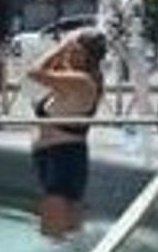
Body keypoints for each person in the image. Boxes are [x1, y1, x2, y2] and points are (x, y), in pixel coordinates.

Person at [26, 28, 107, 238]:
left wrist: (60, 47)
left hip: (64, 159)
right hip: (53, 157)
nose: (70, 53)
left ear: (88, 55)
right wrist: (65, 49)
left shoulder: (83, 81)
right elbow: (47, 73)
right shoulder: (73, 78)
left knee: (53, 235)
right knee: (64, 235)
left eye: (75, 50)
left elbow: (34, 72)